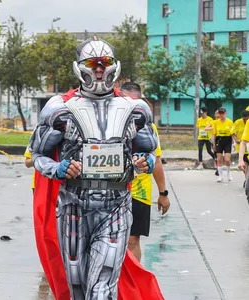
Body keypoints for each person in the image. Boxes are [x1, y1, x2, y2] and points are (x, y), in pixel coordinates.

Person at [30, 37, 160, 299]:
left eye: (105, 62)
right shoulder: (59, 109)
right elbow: (38, 155)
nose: (99, 69)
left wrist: (146, 162)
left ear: (115, 66)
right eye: (93, 63)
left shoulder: (136, 110)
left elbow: (149, 151)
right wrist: (58, 169)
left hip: (116, 207)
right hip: (73, 208)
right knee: (78, 289)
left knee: (102, 289)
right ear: (80, 67)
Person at [120, 82, 170, 262]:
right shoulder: (110, 125)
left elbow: (156, 162)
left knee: (133, 240)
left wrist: (163, 193)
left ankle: (133, 284)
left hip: (138, 193)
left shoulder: (149, 128)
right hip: (112, 191)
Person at [213, 107, 233, 182]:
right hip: (219, 141)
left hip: (227, 140)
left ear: (225, 113)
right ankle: (220, 176)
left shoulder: (230, 122)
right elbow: (214, 134)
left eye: (222, 113)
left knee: (227, 159)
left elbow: (232, 133)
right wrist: (214, 144)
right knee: (219, 159)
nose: (221, 115)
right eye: (220, 113)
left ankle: (229, 173)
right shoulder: (216, 122)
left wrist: (234, 143)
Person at [231, 110, 249, 187]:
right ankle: (246, 179)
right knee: (245, 165)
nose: (245, 121)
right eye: (244, 119)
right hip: (242, 146)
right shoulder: (238, 122)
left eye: (247, 119)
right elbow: (231, 132)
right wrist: (236, 139)